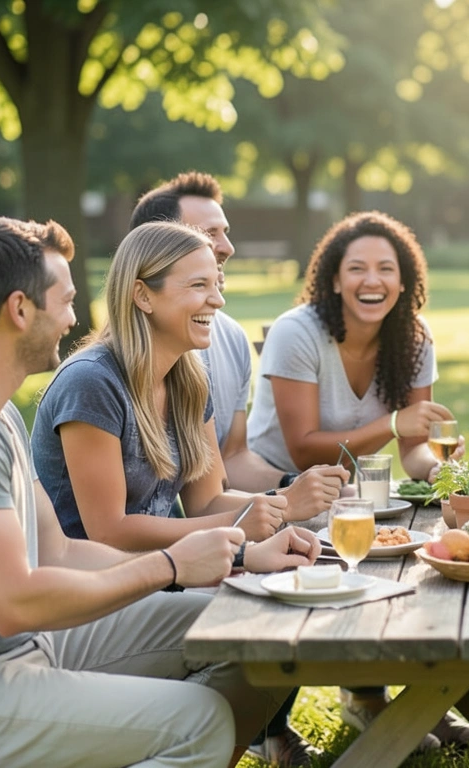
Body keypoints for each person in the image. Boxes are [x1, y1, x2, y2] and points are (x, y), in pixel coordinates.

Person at [0, 217, 318, 768]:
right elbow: (13, 604)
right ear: (20, 310)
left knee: (250, 632)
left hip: (12, 651)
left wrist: (230, 556)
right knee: (198, 724)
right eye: (65, 300)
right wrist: (168, 565)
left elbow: (61, 550)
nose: (75, 316)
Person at [129, 172, 347, 766]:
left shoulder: (206, 350)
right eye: (205, 238)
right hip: (124, 570)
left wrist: (286, 497)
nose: (222, 250)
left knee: (295, 585)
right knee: (271, 614)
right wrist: (255, 531)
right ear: (150, 270)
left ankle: (266, 724)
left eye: (222, 237)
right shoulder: (103, 379)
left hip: (185, 541)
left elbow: (224, 468)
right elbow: (106, 532)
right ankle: (228, 729)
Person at [246, 210, 469, 750]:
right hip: (279, 489)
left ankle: (402, 701)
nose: (371, 281)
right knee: (308, 583)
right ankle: (268, 728)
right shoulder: (297, 332)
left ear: (404, 281)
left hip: (357, 496)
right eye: (357, 268)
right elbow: (303, 443)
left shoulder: (414, 338)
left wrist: (441, 468)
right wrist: (394, 423)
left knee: (412, 575)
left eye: (385, 268)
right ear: (333, 278)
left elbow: (415, 450)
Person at [33, 221, 293, 553]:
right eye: (199, 285)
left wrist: (288, 499)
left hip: (165, 572)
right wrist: (239, 522)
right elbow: (109, 532)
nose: (217, 301)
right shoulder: (92, 382)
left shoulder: (190, 380)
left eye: (217, 285)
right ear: (142, 295)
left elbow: (206, 502)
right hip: (94, 588)